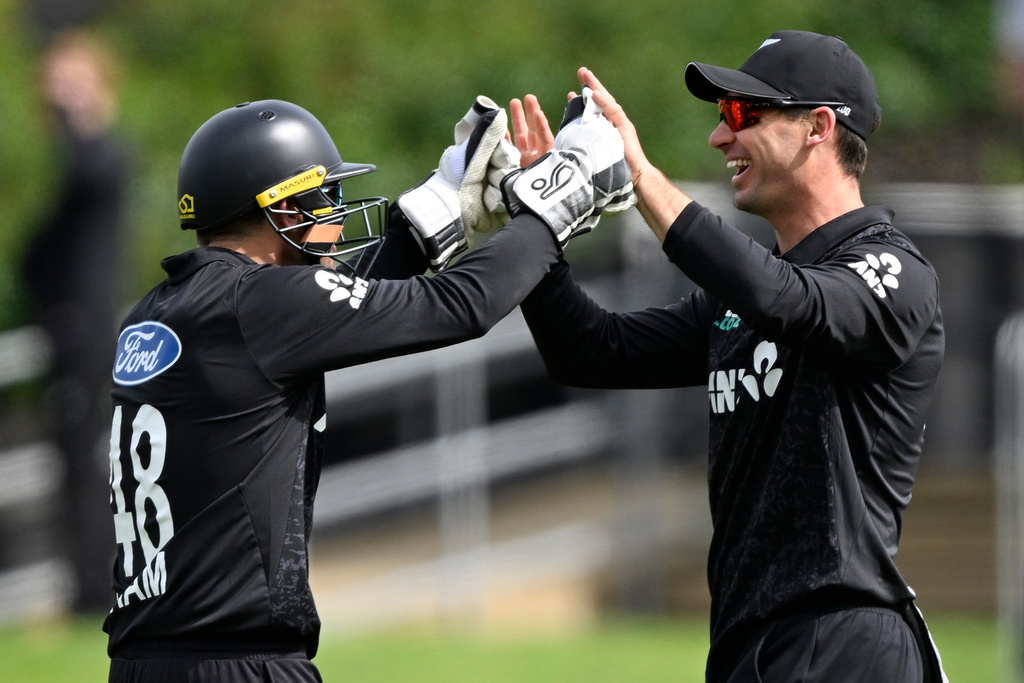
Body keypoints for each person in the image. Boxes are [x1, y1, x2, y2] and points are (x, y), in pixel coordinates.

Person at [103, 92, 631, 682]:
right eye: (326, 197)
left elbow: (336, 307)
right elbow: (462, 305)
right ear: (282, 209)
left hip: (143, 661)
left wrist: (436, 208)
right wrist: (553, 204)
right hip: (239, 663)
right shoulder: (262, 303)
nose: (336, 213)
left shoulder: (161, 308)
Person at [511, 31, 948, 682]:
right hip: (747, 645)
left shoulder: (890, 269)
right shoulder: (741, 299)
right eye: (722, 119)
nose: (720, 138)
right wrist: (536, 224)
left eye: (743, 115)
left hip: (847, 637)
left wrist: (641, 175)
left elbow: (789, 300)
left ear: (818, 127)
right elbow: (589, 352)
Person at [21, 29, 129, 614]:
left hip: (86, 328)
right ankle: (88, 586)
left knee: (91, 460)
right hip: (69, 326)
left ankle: (96, 591)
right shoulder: (74, 159)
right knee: (76, 460)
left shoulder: (102, 153)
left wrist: (70, 111)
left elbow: (89, 171)